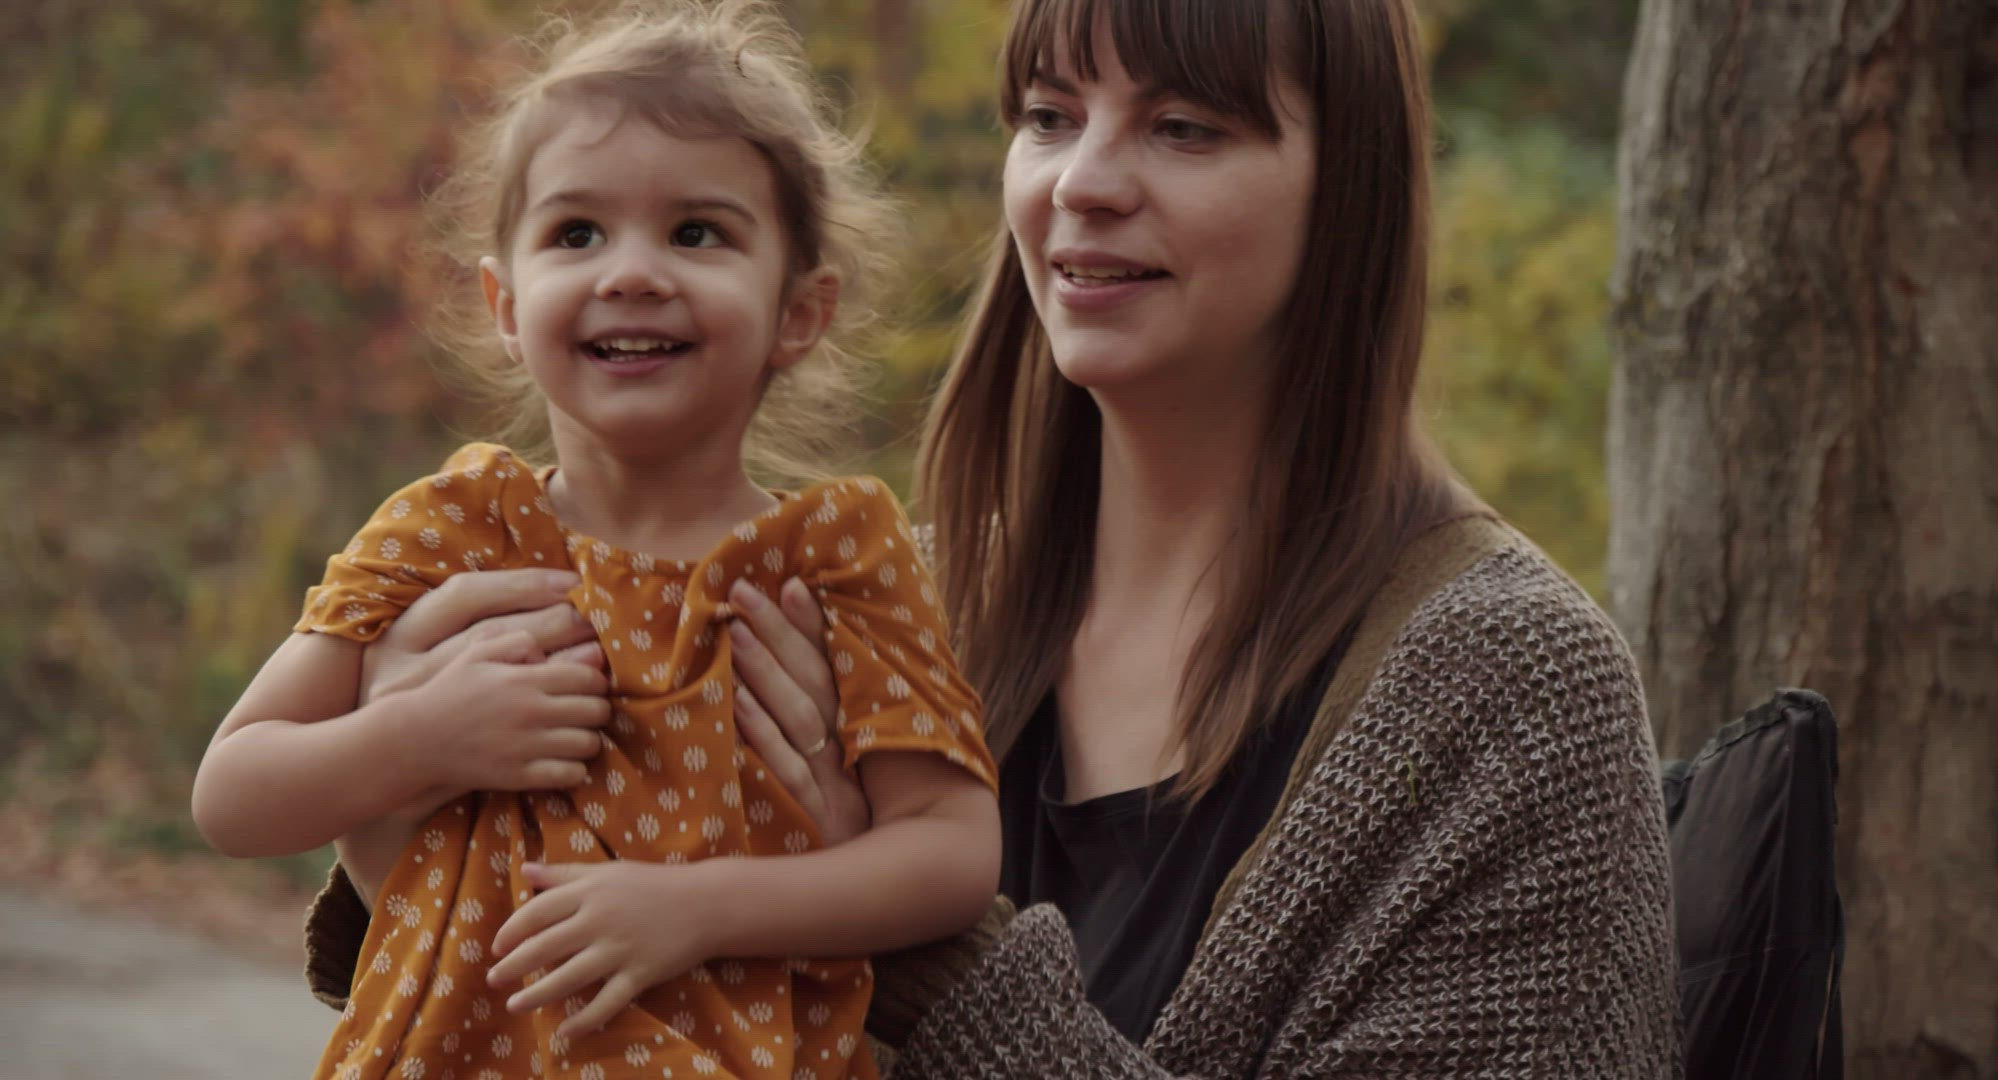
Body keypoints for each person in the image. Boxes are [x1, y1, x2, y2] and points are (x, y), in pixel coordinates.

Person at [296, 0, 1684, 1074]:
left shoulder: (1509, 695)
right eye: (1049, 116)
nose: (1083, 182)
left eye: (1183, 128)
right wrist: (409, 800)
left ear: (1350, 186)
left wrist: (925, 950)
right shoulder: (888, 603)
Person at [188, 3, 1000, 1077]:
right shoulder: (451, 530)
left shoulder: (835, 562)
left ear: (798, 311)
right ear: (506, 304)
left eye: (696, 232)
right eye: (576, 233)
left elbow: (950, 852)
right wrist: (421, 738)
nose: (630, 273)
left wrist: (698, 909)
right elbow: (234, 795)